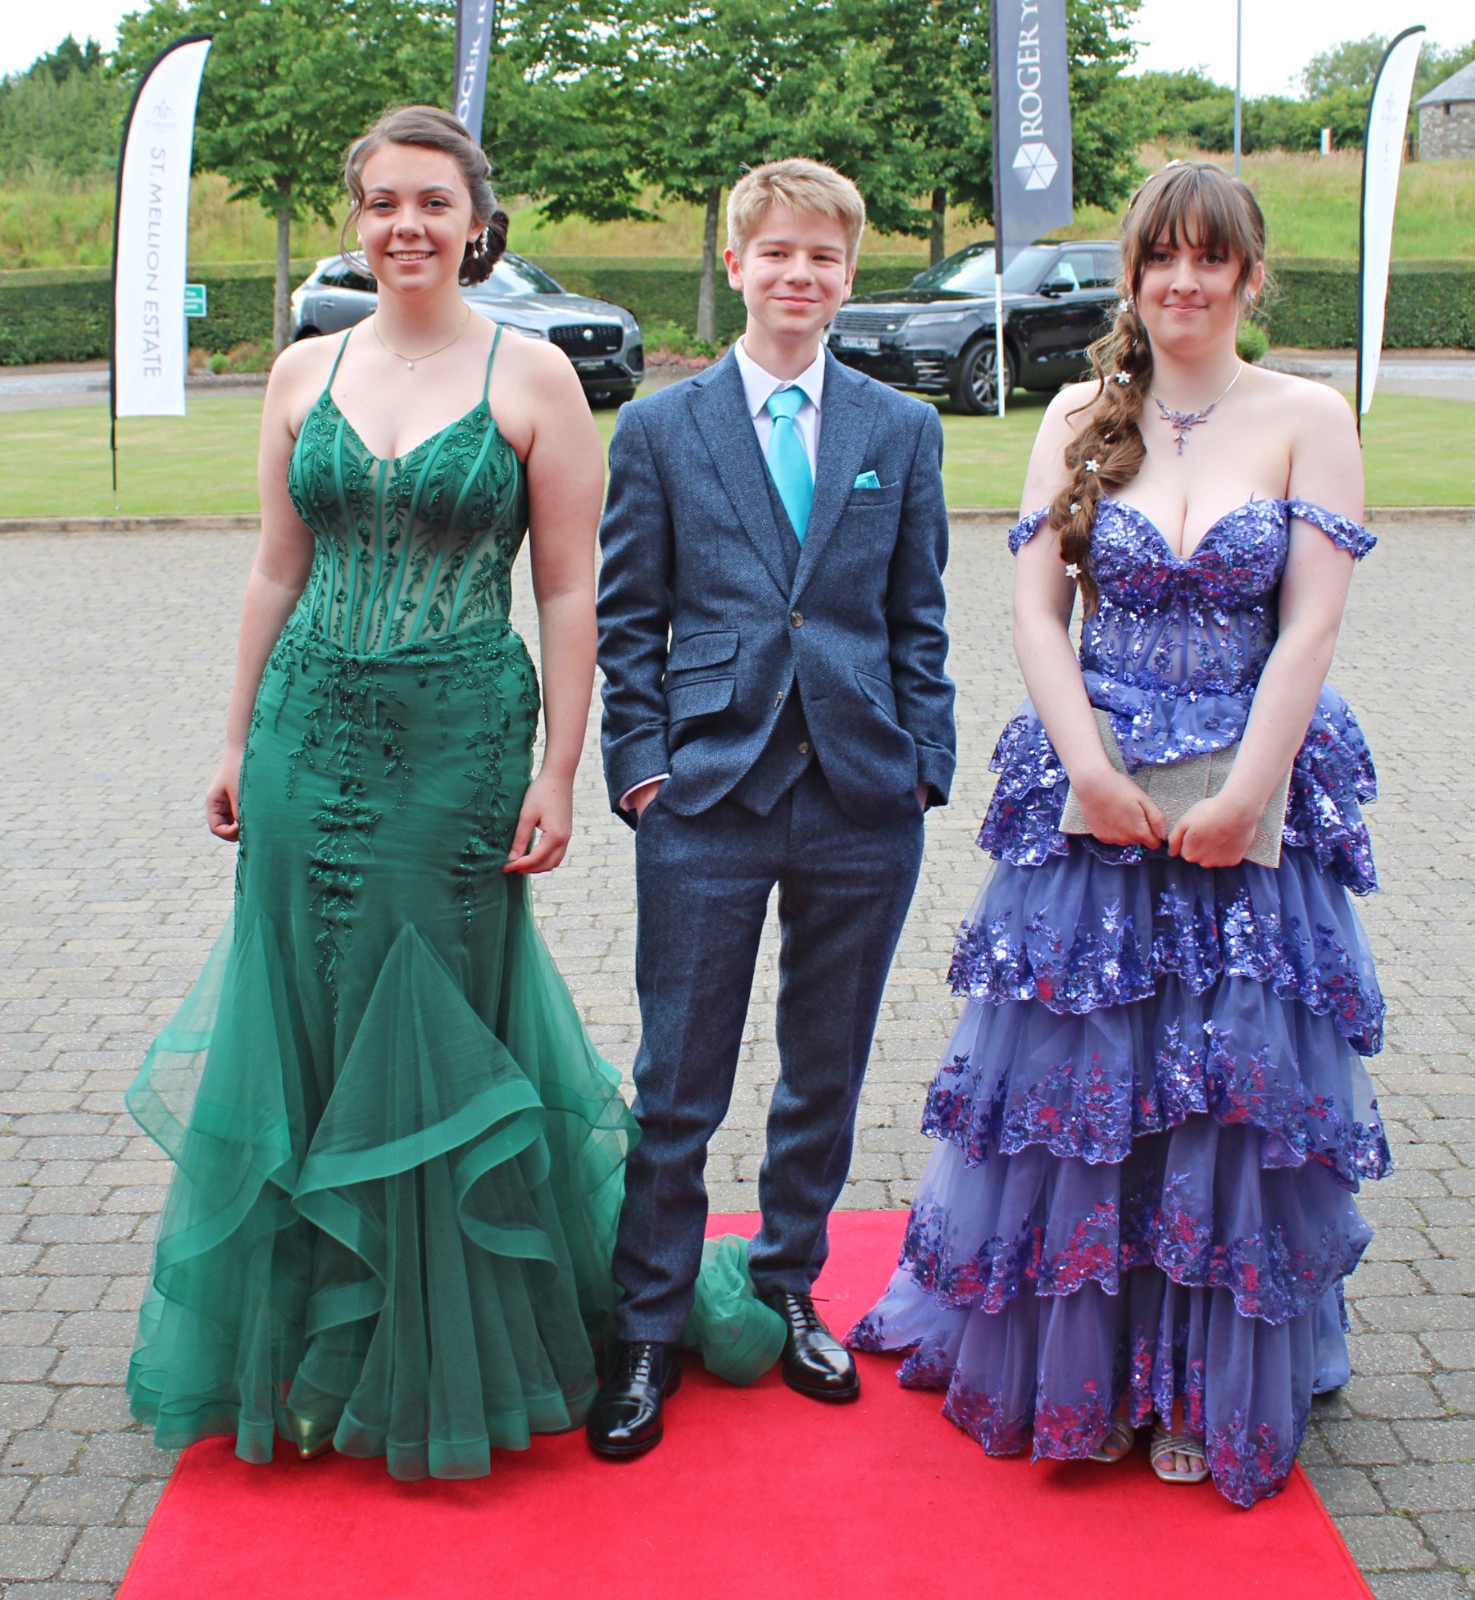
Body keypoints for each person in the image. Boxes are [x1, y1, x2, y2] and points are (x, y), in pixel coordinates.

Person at [123, 105, 771, 1482]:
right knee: (301, 1006)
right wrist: (234, 740)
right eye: (382, 202)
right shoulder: (302, 370)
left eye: (432, 201)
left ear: (479, 222)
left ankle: (428, 1354)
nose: (405, 225)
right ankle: (310, 1355)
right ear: (357, 219)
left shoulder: (533, 376)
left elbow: (569, 590)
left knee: (423, 1012)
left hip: (459, 740)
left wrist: (560, 770)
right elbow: (277, 567)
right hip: (305, 730)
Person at [847, 162, 1389, 1508]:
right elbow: (1039, 615)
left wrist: (1250, 791)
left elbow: (1311, 627)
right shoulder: (1080, 415)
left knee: (1222, 1097)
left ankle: (1198, 1385)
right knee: (1086, 1089)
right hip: (1098, 802)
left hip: (1246, 798)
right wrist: (1087, 770)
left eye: (1211, 259)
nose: (1184, 282)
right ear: (1133, 275)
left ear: (1251, 275)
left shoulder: (1308, 417)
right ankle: (1088, 1378)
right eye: (1161, 258)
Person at [589, 158, 957, 1457]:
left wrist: (926, 761)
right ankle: (648, 1322)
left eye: (826, 257)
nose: (802, 274)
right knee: (678, 1075)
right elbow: (628, 618)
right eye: (780, 252)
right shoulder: (661, 430)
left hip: (864, 793)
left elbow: (918, 616)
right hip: (708, 790)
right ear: (738, 264)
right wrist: (641, 767)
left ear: (850, 277)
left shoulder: (899, 431)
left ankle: (790, 1280)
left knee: (824, 1068)